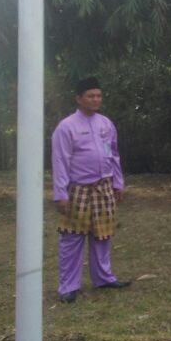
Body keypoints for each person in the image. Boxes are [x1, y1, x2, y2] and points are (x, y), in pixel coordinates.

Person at [51, 77, 129, 303]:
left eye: (98, 96)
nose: (95, 99)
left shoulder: (106, 124)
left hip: (104, 187)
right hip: (78, 190)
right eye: (90, 96)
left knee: (102, 235)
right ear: (79, 99)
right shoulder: (66, 127)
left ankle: (103, 278)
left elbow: (114, 154)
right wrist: (61, 194)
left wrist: (118, 182)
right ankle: (68, 287)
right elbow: (60, 160)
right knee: (72, 238)